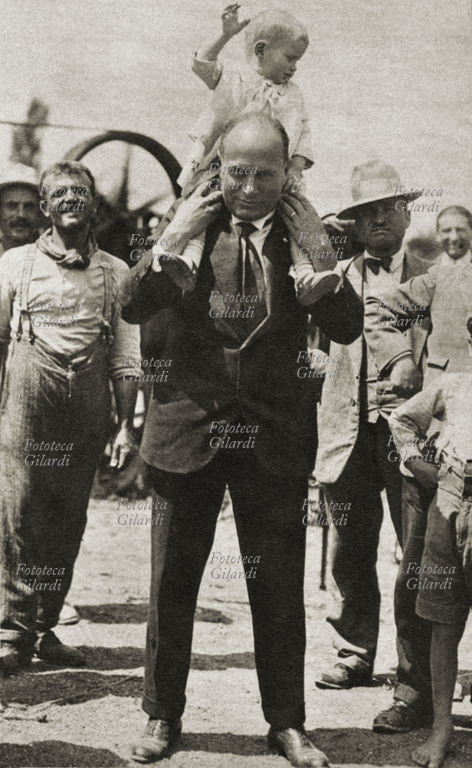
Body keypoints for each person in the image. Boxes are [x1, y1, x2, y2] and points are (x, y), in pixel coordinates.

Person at [120, 112, 363, 767]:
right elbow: (130, 304)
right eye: (237, 173)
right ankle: (160, 716)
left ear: (288, 173)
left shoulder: (303, 235)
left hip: (272, 439)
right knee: (172, 586)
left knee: (279, 588)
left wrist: (324, 275)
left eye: (265, 174)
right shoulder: (186, 227)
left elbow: (345, 328)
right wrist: (172, 246)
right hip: (186, 435)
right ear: (216, 170)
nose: (251, 187)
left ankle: (286, 724)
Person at [0, 161, 141, 676]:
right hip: (27, 395)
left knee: (68, 517)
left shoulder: (117, 273)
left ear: (93, 204)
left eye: (79, 192)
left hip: (85, 402)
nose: (70, 201)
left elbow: (127, 356)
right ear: (45, 207)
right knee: (19, 512)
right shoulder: (13, 265)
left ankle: (45, 627)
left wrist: (125, 425)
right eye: (59, 193)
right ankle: (11, 631)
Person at [313, 160, 430, 690]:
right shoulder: (333, 281)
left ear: (407, 214)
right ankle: (354, 650)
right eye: (367, 213)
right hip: (348, 431)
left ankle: (416, 668)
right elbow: (312, 358)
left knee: (420, 551)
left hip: (411, 436)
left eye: (389, 208)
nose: (379, 220)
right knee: (349, 547)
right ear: (354, 226)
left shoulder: (435, 275)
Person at [363, 206, 472, 733]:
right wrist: (399, 361)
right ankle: (414, 691)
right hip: (437, 452)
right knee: (421, 573)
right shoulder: (443, 279)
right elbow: (377, 307)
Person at [168, 5, 323, 295]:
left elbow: (303, 132)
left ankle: (305, 273)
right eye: (290, 58)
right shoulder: (235, 79)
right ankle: (187, 259)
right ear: (262, 49)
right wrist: (225, 35)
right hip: (223, 168)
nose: (294, 67)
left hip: (273, 176)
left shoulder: (294, 94)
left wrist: (296, 167)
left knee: (295, 216)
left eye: (298, 60)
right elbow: (201, 63)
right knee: (201, 205)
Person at [388, 315, 472, 768]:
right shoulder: (455, 386)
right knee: (442, 621)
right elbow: (401, 419)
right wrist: (426, 470)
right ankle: (441, 731)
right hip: (451, 503)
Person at [0, 163, 42, 256]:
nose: (21, 214)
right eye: (12, 206)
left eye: (29, 207)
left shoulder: (54, 260)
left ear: (40, 212)